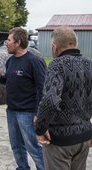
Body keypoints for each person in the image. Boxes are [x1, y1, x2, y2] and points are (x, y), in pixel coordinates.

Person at [35, 26, 92, 170]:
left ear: (54, 46)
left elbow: (50, 101)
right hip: (84, 137)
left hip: (60, 141)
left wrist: (40, 129)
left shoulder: (57, 65)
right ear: (74, 43)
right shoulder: (89, 64)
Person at [0, 27, 46, 170]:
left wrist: (38, 113)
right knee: (16, 146)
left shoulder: (33, 61)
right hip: (11, 112)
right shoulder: (10, 61)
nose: (6, 43)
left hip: (27, 114)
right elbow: (10, 81)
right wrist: (0, 78)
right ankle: (22, 168)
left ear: (18, 42)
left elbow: (42, 89)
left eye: (9, 40)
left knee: (33, 148)